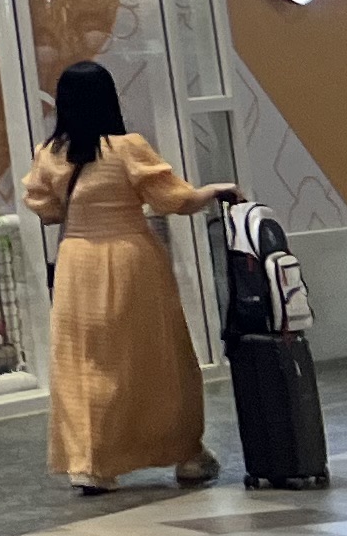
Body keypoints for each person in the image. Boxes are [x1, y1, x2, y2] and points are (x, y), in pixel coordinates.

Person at [21, 59, 234, 494]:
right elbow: (174, 201)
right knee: (157, 358)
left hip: (77, 263)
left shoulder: (48, 154)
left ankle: (91, 464)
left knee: (84, 361)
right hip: (131, 259)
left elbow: (46, 211)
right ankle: (186, 454)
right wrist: (214, 191)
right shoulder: (128, 148)